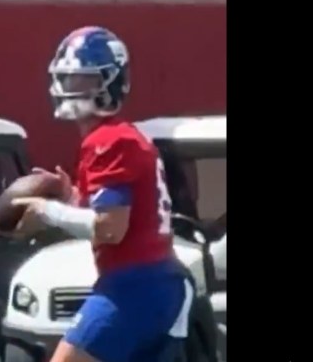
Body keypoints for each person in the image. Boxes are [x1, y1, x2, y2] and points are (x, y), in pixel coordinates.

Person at [12, 27, 193, 362]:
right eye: (68, 79)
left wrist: (47, 211)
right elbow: (117, 209)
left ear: (111, 83)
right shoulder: (117, 137)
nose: (72, 89)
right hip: (154, 281)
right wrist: (71, 196)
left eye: (85, 81)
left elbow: (110, 227)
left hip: (135, 284)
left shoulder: (108, 140)